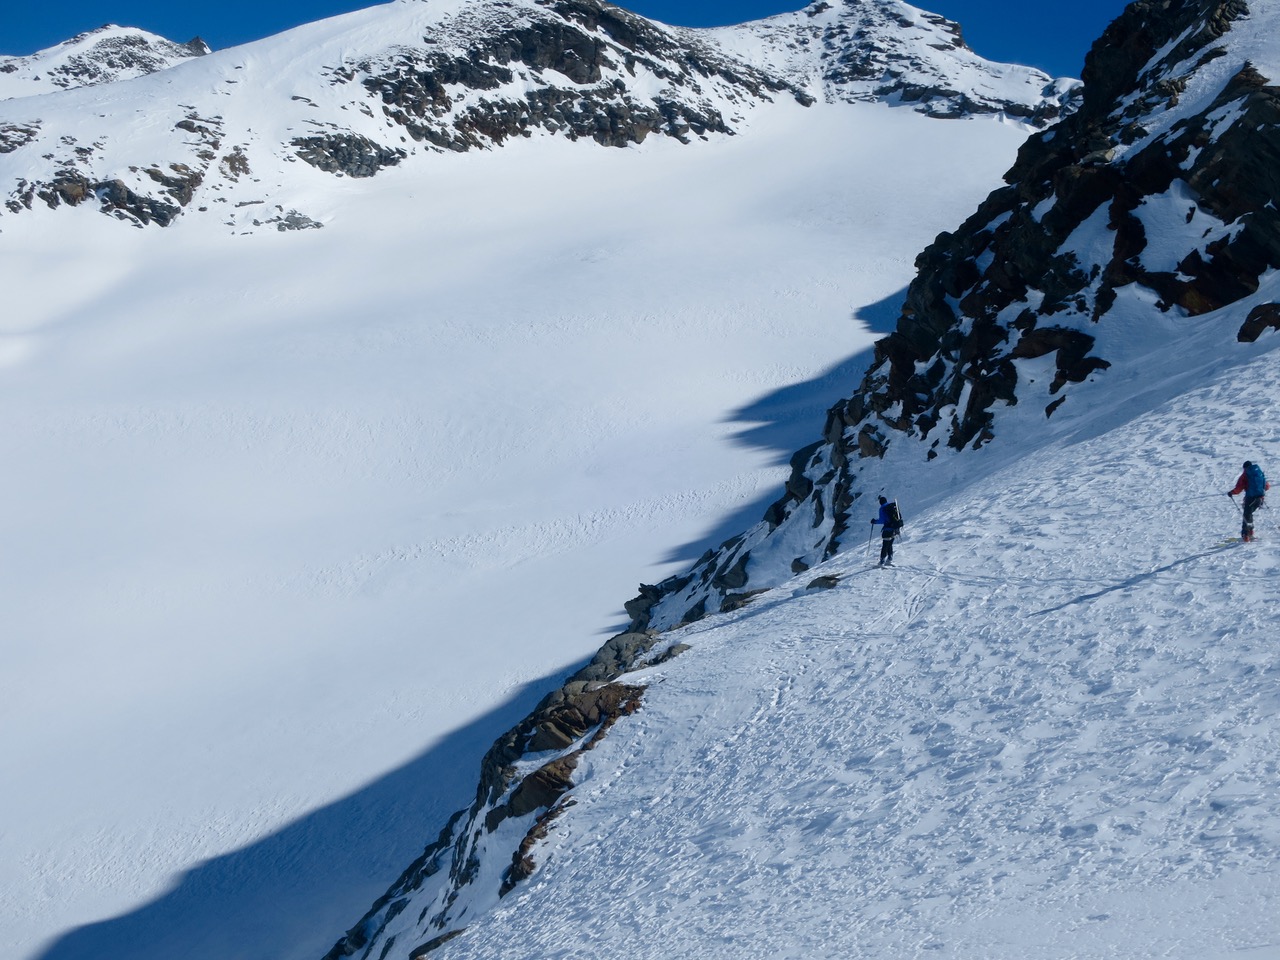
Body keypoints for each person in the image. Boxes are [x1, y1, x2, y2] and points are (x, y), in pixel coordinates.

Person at [1228, 460, 1270, 542]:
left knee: (1246, 515)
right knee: (1249, 513)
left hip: (1250, 498)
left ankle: (1246, 534)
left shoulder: (1245, 475)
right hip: (1260, 498)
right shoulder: (1259, 473)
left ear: (1244, 468)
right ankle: (1250, 531)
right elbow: (1267, 486)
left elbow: (1239, 488)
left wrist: (1231, 492)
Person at [870, 495, 903, 565]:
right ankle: (890, 558)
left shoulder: (882, 508)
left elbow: (882, 520)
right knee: (890, 544)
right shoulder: (892, 506)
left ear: (880, 502)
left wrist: (874, 521)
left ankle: (882, 560)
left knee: (885, 545)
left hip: (887, 529)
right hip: (895, 529)